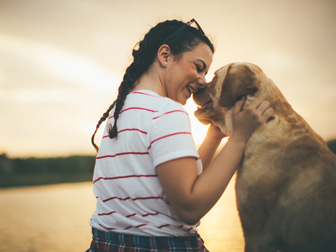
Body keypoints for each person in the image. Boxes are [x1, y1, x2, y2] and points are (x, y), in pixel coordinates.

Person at [87, 18, 273, 252]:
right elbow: (189, 207)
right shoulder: (166, 111)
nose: (203, 81)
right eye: (198, 66)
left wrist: (214, 135)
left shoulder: (118, 114)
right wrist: (239, 139)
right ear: (165, 56)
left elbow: (185, 179)